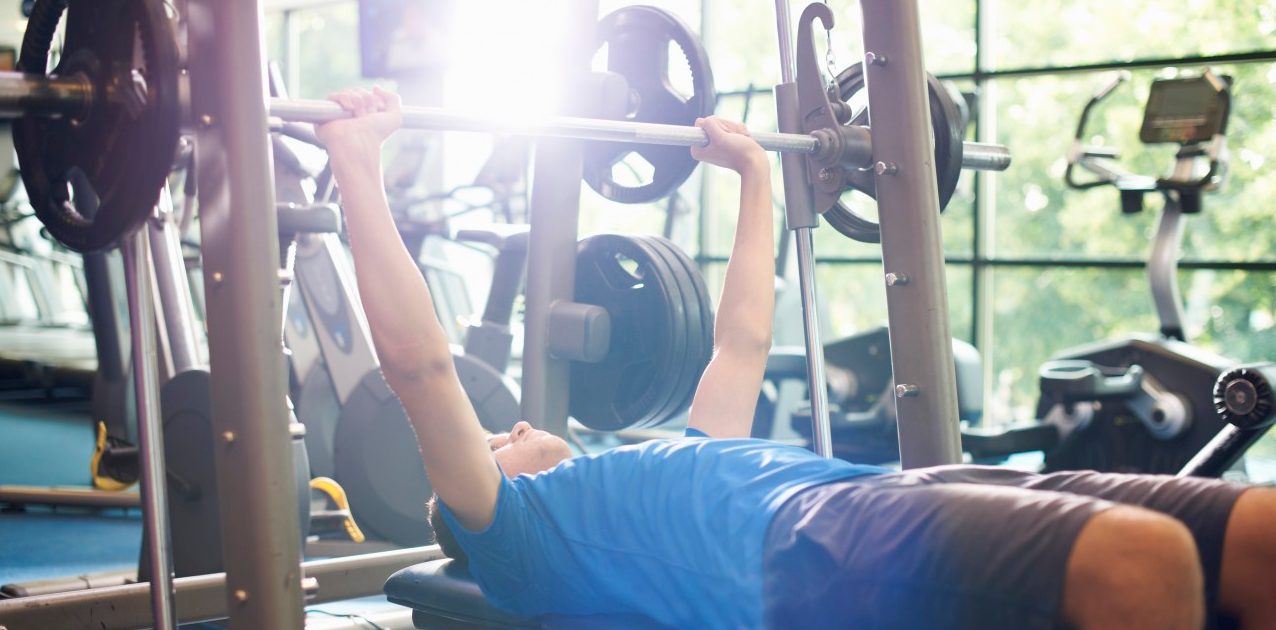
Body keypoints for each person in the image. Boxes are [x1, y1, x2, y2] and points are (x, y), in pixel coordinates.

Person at [315, 87, 1276, 630]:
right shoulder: (515, 536)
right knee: (1137, 562)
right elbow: (420, 365)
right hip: (811, 553)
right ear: (465, 508)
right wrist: (357, 164)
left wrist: (754, 175)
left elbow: (741, 336)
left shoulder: (673, 458)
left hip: (889, 493)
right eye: (497, 439)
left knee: (1257, 534)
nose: (516, 423)